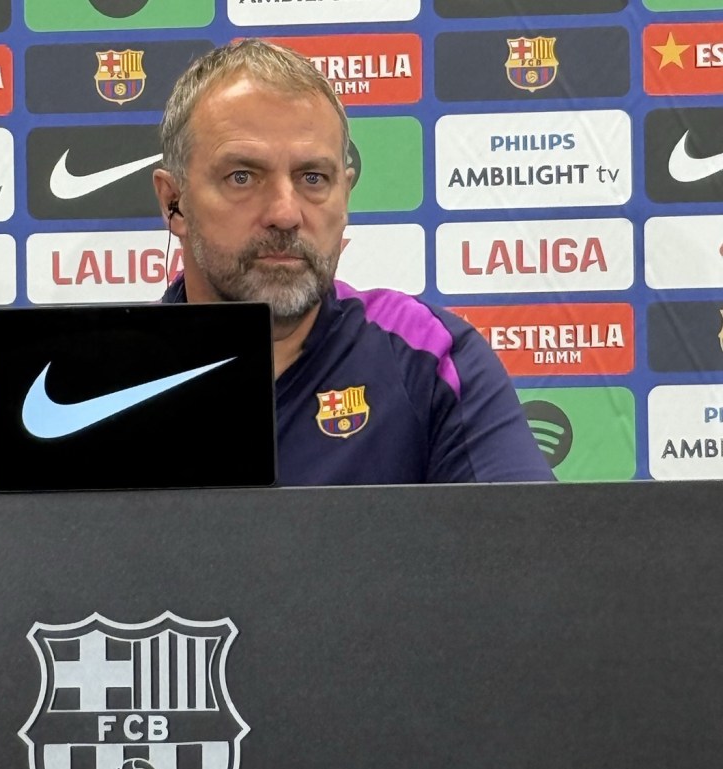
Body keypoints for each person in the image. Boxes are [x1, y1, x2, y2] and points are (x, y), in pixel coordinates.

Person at [151, 39, 552, 484]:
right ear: (174, 203)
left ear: (345, 195)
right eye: (242, 177)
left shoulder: (430, 358)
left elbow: (525, 530)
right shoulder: (108, 379)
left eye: (313, 177)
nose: (285, 213)